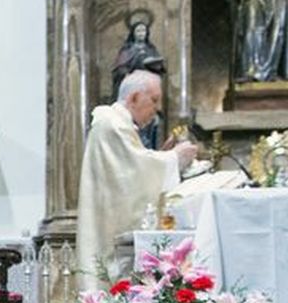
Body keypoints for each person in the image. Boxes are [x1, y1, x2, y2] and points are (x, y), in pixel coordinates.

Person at [76, 69, 198, 290]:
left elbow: (134, 168)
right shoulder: (112, 124)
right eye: (153, 100)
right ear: (133, 98)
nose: (157, 109)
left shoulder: (117, 124)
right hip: (110, 234)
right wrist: (175, 158)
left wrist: (161, 155)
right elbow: (134, 173)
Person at [110, 16, 167, 150]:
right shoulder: (127, 51)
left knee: (150, 129)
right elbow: (119, 70)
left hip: (147, 89)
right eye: (138, 31)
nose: (141, 34)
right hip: (136, 89)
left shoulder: (151, 49)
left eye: (143, 31)